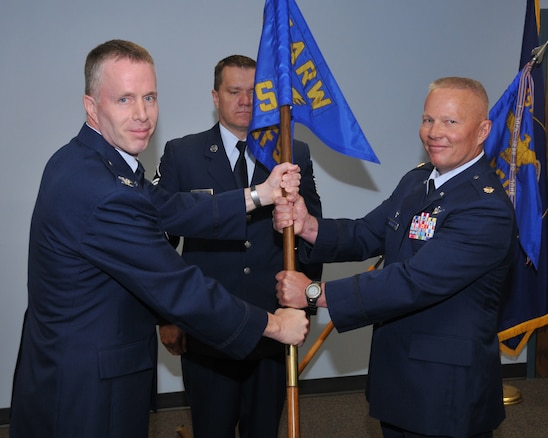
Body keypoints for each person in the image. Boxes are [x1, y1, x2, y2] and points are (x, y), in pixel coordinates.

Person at [9, 40, 310, 438]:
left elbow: (170, 207)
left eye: (149, 97)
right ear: (91, 106)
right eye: (124, 99)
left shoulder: (92, 160)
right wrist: (272, 325)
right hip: (87, 392)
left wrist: (259, 195)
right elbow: (178, 286)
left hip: (75, 368)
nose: (142, 115)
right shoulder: (101, 190)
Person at [274, 77, 519, 438]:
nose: (434, 132)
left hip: (445, 391)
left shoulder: (486, 208)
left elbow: (414, 281)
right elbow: (368, 233)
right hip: (399, 376)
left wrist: (316, 293)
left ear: (482, 130)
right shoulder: (417, 181)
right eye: (428, 119)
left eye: (450, 122)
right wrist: (309, 226)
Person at [154, 54, 322, 438]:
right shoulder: (183, 154)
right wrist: (166, 316)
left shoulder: (293, 155)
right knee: (211, 429)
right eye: (234, 91)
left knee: (263, 430)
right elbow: (161, 240)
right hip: (207, 328)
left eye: (253, 92)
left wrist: (305, 302)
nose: (245, 101)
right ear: (216, 96)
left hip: (272, 325)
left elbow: (314, 238)